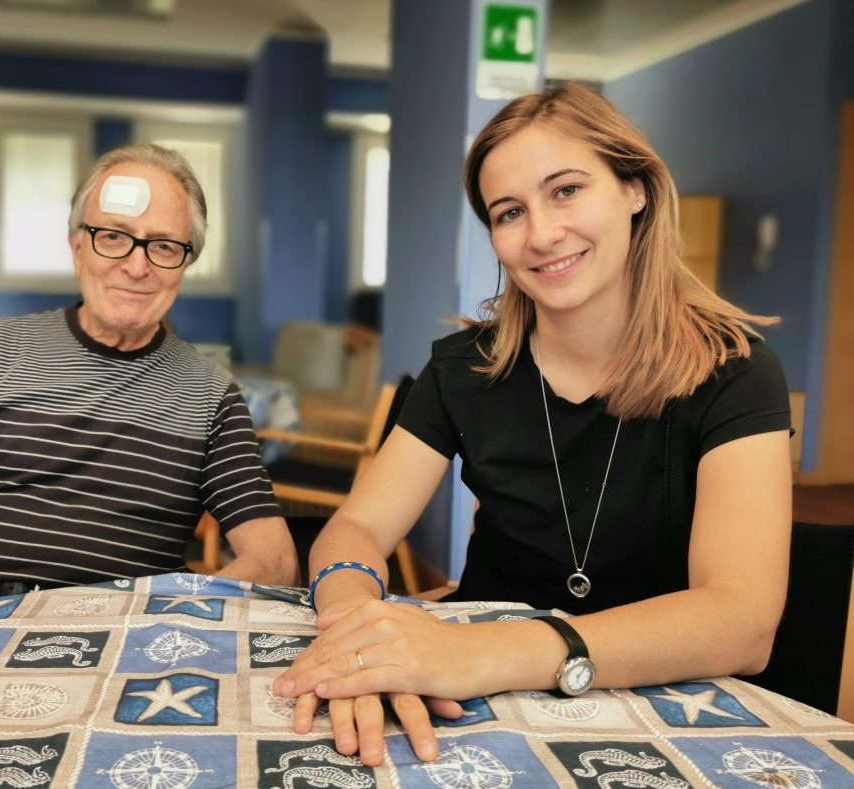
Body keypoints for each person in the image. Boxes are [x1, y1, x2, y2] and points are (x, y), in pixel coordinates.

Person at [273, 82, 792, 766]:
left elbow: (741, 620)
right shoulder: (465, 370)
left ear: (635, 188)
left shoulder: (735, 371)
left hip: (656, 709)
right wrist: (353, 630)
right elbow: (357, 528)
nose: (542, 234)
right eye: (509, 211)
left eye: (566, 190)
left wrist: (482, 651)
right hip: (475, 710)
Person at [0, 143, 298, 612]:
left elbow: (274, 560)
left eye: (163, 246)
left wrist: (173, 619)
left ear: (185, 264)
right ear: (78, 249)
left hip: (126, 636)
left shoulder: (212, 395)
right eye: (113, 237)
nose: (137, 267)